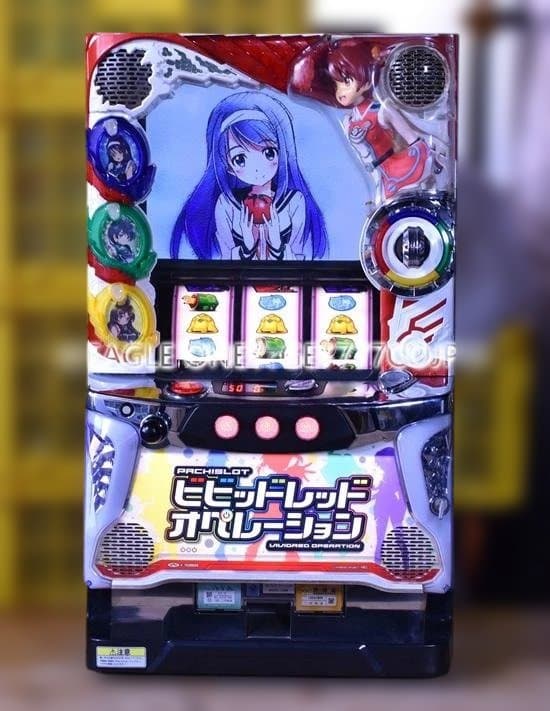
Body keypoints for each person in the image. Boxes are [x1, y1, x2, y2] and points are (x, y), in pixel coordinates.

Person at [170, 91, 328, 260]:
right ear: (228, 166)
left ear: (282, 154)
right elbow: (224, 264)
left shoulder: (294, 202)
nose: (257, 168)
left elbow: (299, 262)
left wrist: (277, 246)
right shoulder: (227, 205)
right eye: (240, 159)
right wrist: (246, 247)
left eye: (269, 152)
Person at [291, 38, 437, 200]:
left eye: (346, 82)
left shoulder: (381, 110)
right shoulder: (348, 120)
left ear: (367, 80)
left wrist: (427, 156)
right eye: (336, 85)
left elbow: (413, 140)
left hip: (397, 169)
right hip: (377, 176)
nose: (340, 91)